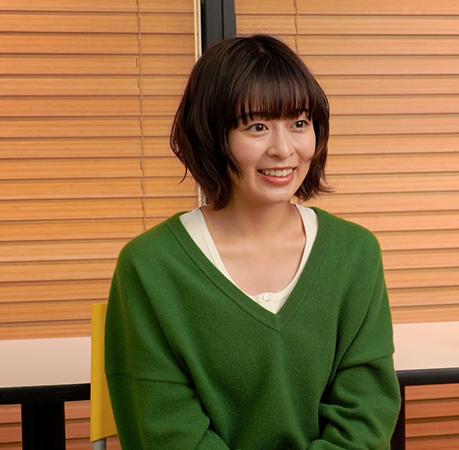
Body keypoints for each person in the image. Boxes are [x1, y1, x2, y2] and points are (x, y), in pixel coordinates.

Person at [104, 34, 401, 449]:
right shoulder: (150, 266)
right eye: (256, 127)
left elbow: (365, 416)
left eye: (299, 124)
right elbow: (166, 430)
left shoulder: (355, 254)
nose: (283, 149)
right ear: (211, 135)